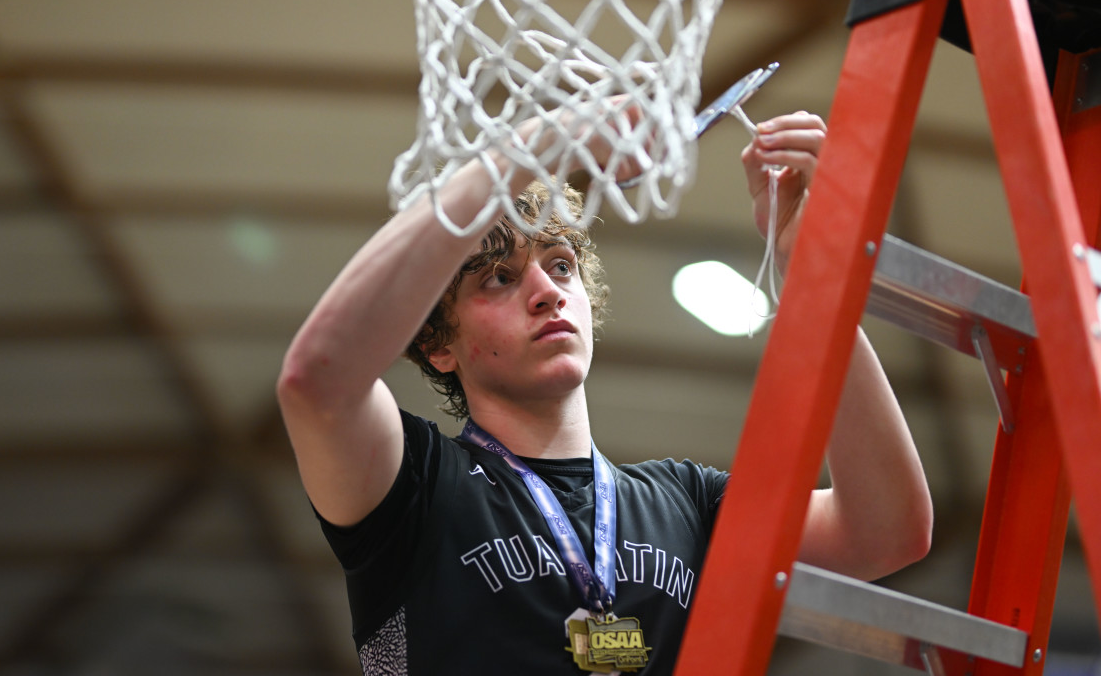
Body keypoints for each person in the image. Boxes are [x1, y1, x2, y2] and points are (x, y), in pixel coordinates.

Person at [276, 106, 933, 674]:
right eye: (498, 279)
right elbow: (315, 383)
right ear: (437, 345)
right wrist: (538, 142)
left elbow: (885, 533)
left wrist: (812, 273)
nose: (546, 291)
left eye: (560, 265)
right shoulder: (412, 482)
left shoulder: (686, 501)